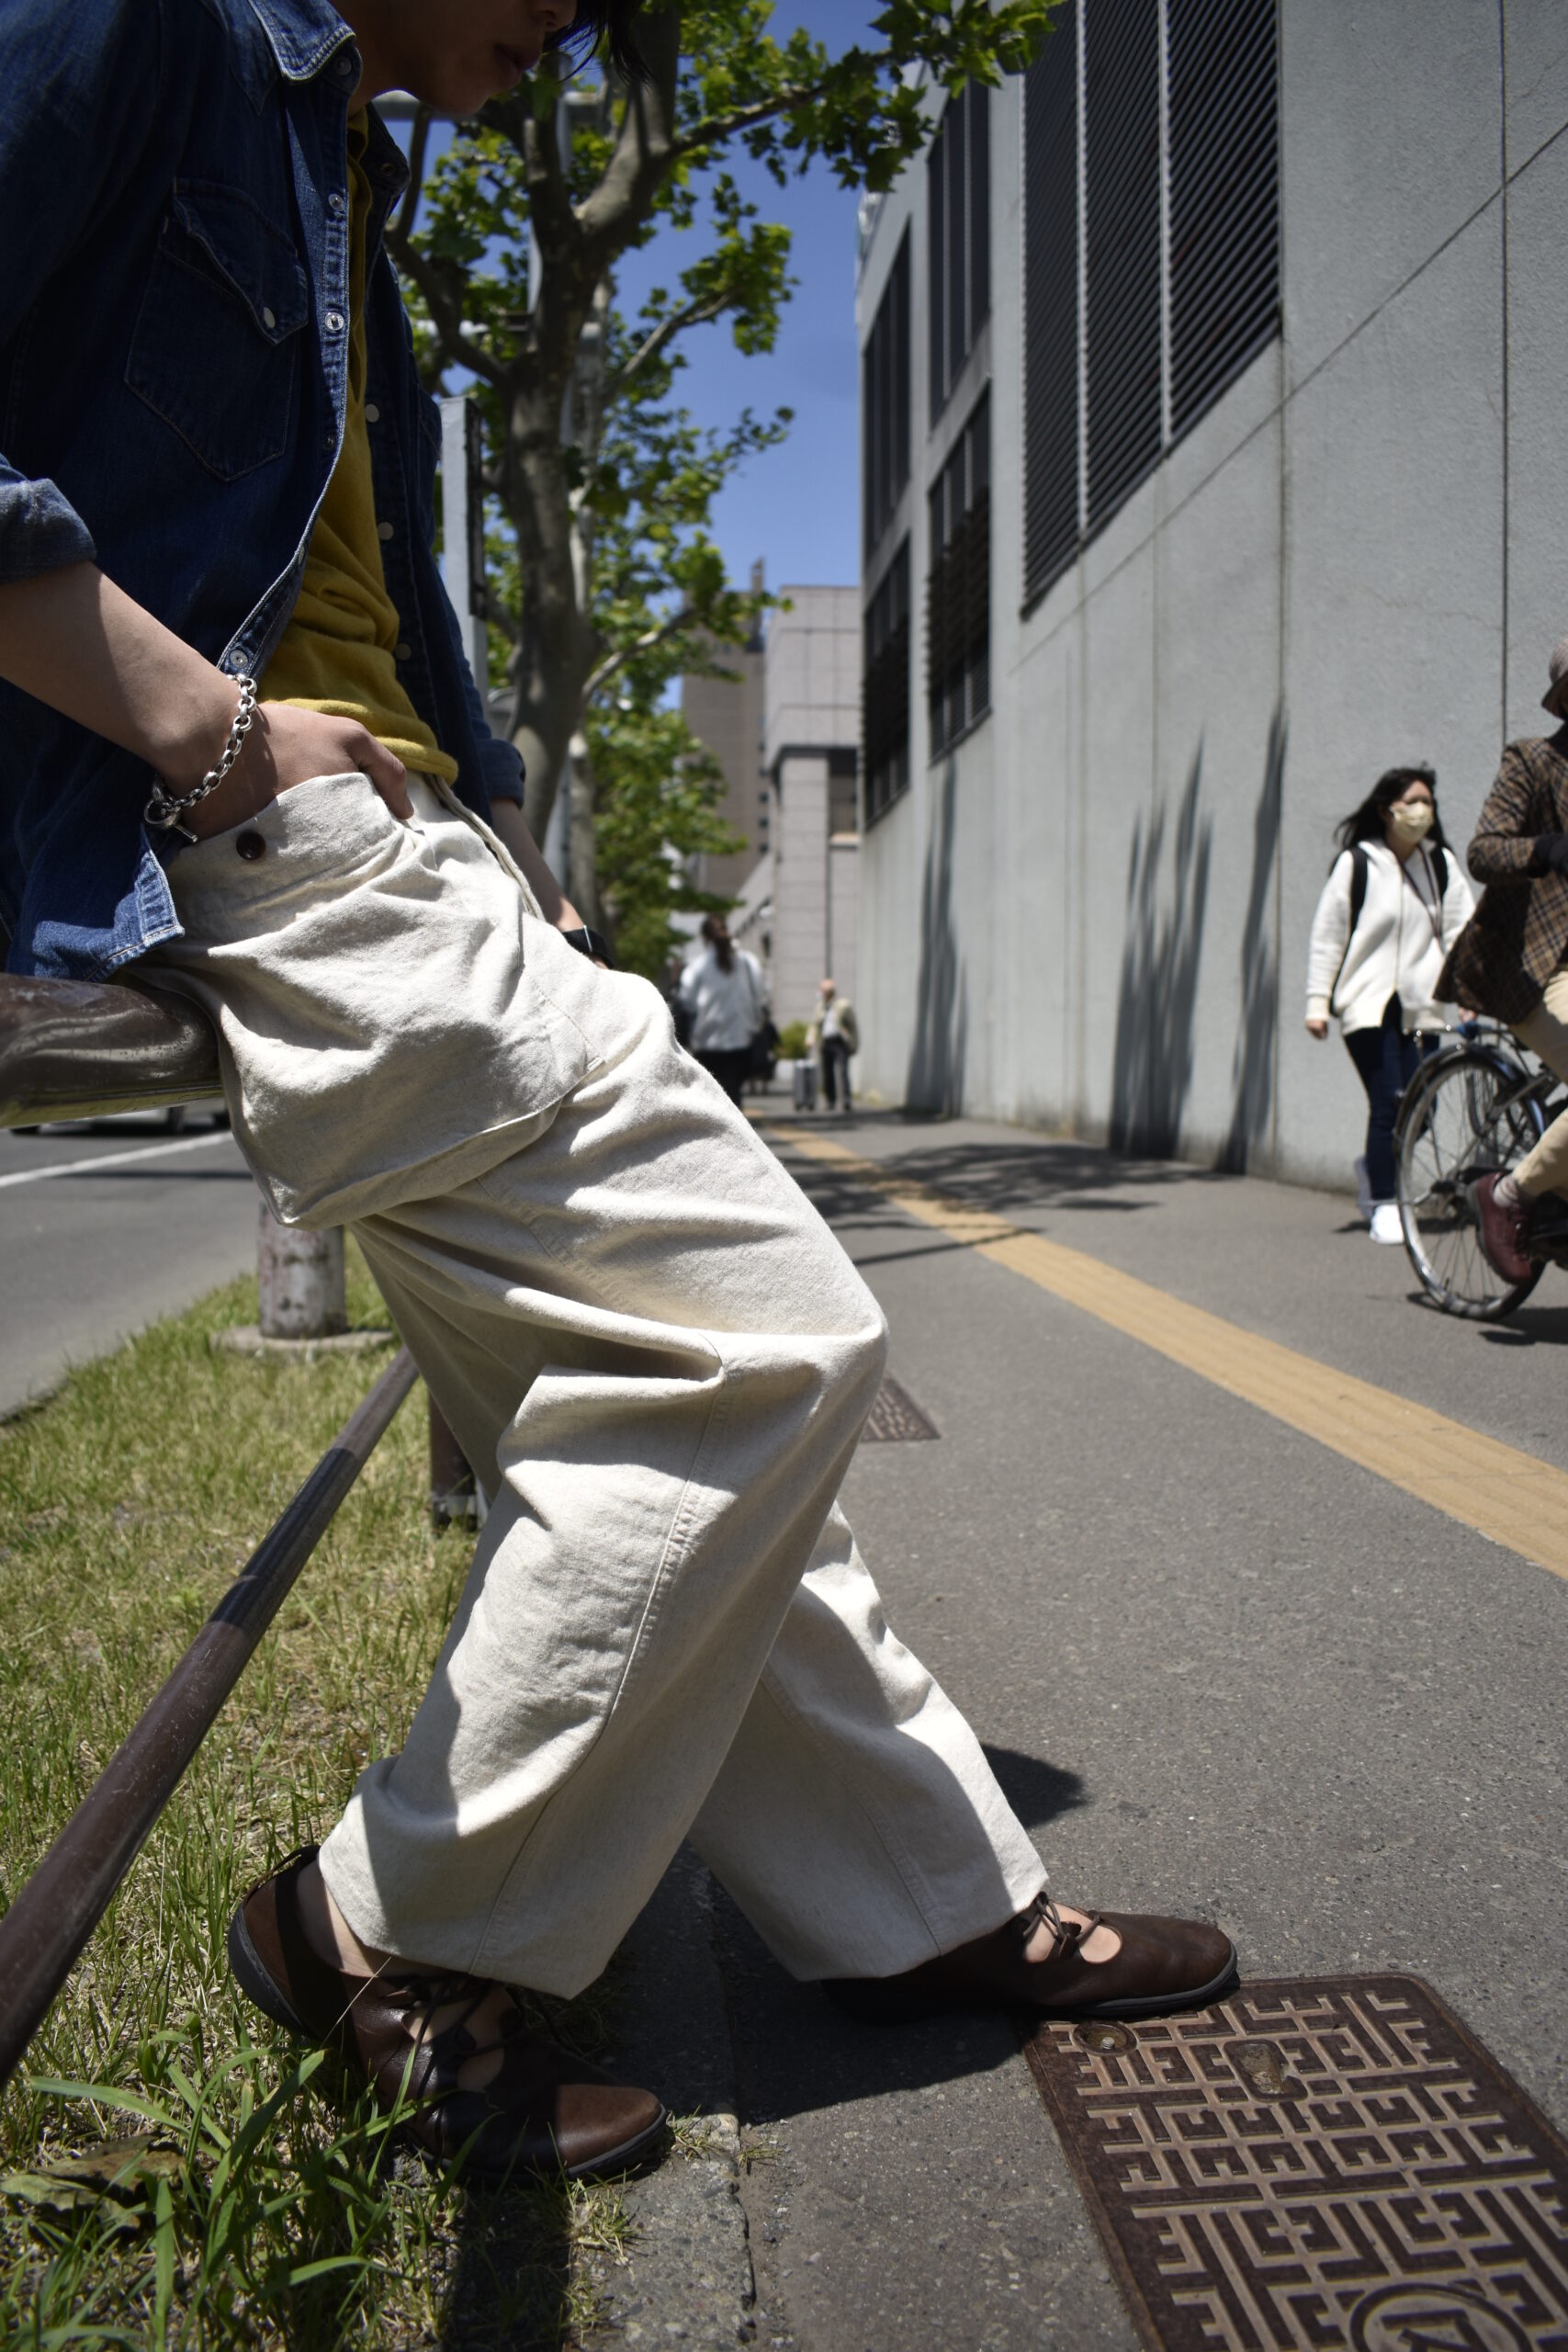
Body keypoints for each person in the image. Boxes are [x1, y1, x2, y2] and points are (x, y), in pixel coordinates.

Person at [0, 0, 1236, 2185]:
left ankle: (923, 1897)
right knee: (765, 1338)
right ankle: (369, 1925)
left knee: (691, 1395)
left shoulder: (335, 158)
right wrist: (206, 727)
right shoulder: (147, 19)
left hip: (389, 845)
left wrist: (488, 810)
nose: (558, 44)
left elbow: (367, 562)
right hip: (253, 830)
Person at [1438, 635, 1568, 1283]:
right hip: (1535, 967)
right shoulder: (1533, 761)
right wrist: (1543, 848)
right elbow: (1483, 849)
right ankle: (1508, 1194)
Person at [1305, 765, 1474, 1242]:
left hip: (1422, 1009)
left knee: (1425, 1106)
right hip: (1368, 1009)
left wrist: (1466, 992)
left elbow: (1464, 930)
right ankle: (1385, 1203)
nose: (1423, 811)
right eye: (1413, 802)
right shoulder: (1357, 863)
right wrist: (1317, 1002)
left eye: (1429, 802)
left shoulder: (1439, 864)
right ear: (1387, 810)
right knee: (1390, 1103)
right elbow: (1328, 936)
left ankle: (1372, 1165)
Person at [675, 914, 767, 1108]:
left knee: (713, 1098)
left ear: (705, 938)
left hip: (707, 1042)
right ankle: (737, 1134)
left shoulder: (697, 966)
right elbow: (759, 997)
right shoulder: (747, 963)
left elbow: (688, 1001)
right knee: (734, 1093)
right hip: (742, 1040)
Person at [809, 978, 859, 1114]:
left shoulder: (843, 1005)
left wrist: (853, 1042)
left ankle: (846, 1100)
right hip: (826, 1042)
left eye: (825, 991)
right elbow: (815, 1024)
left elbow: (852, 1025)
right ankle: (830, 1101)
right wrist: (811, 1039)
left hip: (840, 1042)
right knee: (827, 1073)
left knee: (843, 1071)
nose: (823, 993)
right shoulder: (820, 1006)